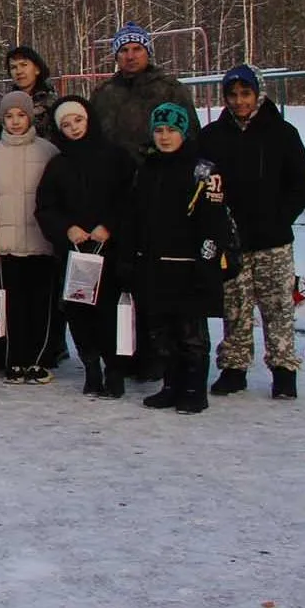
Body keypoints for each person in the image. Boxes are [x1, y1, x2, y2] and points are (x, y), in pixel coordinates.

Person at [202, 66, 305, 400]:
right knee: (235, 305)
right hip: (232, 240)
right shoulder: (212, 136)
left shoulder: (282, 133)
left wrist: (281, 218)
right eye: (233, 95)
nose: (239, 102)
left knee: (277, 306)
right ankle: (234, 368)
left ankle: (283, 370)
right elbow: (200, 181)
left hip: (273, 240)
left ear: (258, 94)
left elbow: (301, 183)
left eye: (245, 94)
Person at [123, 102, 236, 415]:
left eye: (172, 130)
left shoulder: (204, 171)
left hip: (189, 267)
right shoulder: (147, 168)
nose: (165, 136)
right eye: (159, 130)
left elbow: (215, 223)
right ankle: (171, 385)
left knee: (191, 334)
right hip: (153, 265)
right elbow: (134, 215)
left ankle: (193, 389)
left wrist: (207, 263)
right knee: (161, 331)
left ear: (184, 132)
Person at [35, 96, 135, 398]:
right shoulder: (58, 165)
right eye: (66, 124)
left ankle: (115, 370)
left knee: (110, 315)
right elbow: (45, 207)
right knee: (80, 313)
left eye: (77, 120)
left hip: (111, 251)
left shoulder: (116, 157)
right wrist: (67, 229)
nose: (74, 128)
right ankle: (91, 367)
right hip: (76, 254)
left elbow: (131, 198)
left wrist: (111, 225)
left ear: (88, 119)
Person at [0, 91, 61, 383]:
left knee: (40, 307)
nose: (15, 121)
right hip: (6, 248)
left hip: (41, 245)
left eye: (21, 115)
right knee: (12, 307)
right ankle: (14, 360)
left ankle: (38, 361)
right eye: (9, 116)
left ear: (30, 117)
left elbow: (59, 199)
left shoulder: (48, 152)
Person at [92, 22, 199, 159]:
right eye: (124, 50)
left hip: (159, 173)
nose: (130, 56)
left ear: (148, 53)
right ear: (116, 56)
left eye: (137, 49)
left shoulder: (171, 90)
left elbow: (192, 136)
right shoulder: (102, 93)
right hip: (114, 175)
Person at [5, 46, 60, 139]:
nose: (18, 71)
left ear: (37, 69)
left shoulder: (53, 103)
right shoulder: (7, 103)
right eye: (14, 67)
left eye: (24, 65)